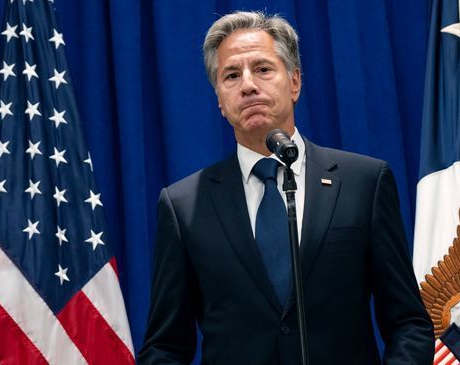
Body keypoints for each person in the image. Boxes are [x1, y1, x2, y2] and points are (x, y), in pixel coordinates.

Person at [138, 11, 434, 365]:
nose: (247, 84)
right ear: (219, 98)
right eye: (231, 75)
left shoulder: (363, 183)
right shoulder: (184, 205)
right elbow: (165, 347)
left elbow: (408, 323)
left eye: (262, 69)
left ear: (294, 82)